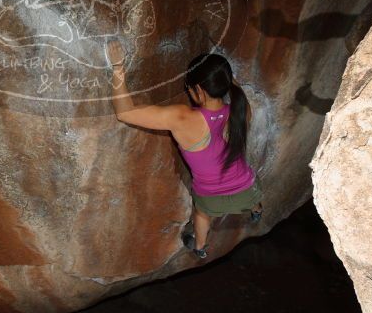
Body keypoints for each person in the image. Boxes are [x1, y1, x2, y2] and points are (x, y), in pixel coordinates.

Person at [107, 41, 263, 259]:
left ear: (198, 89)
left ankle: (199, 247)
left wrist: (117, 67)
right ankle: (256, 212)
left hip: (210, 196)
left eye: (190, 88)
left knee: (202, 214)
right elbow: (235, 88)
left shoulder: (183, 118)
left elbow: (125, 113)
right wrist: (223, 73)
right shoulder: (240, 109)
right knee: (252, 198)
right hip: (245, 186)